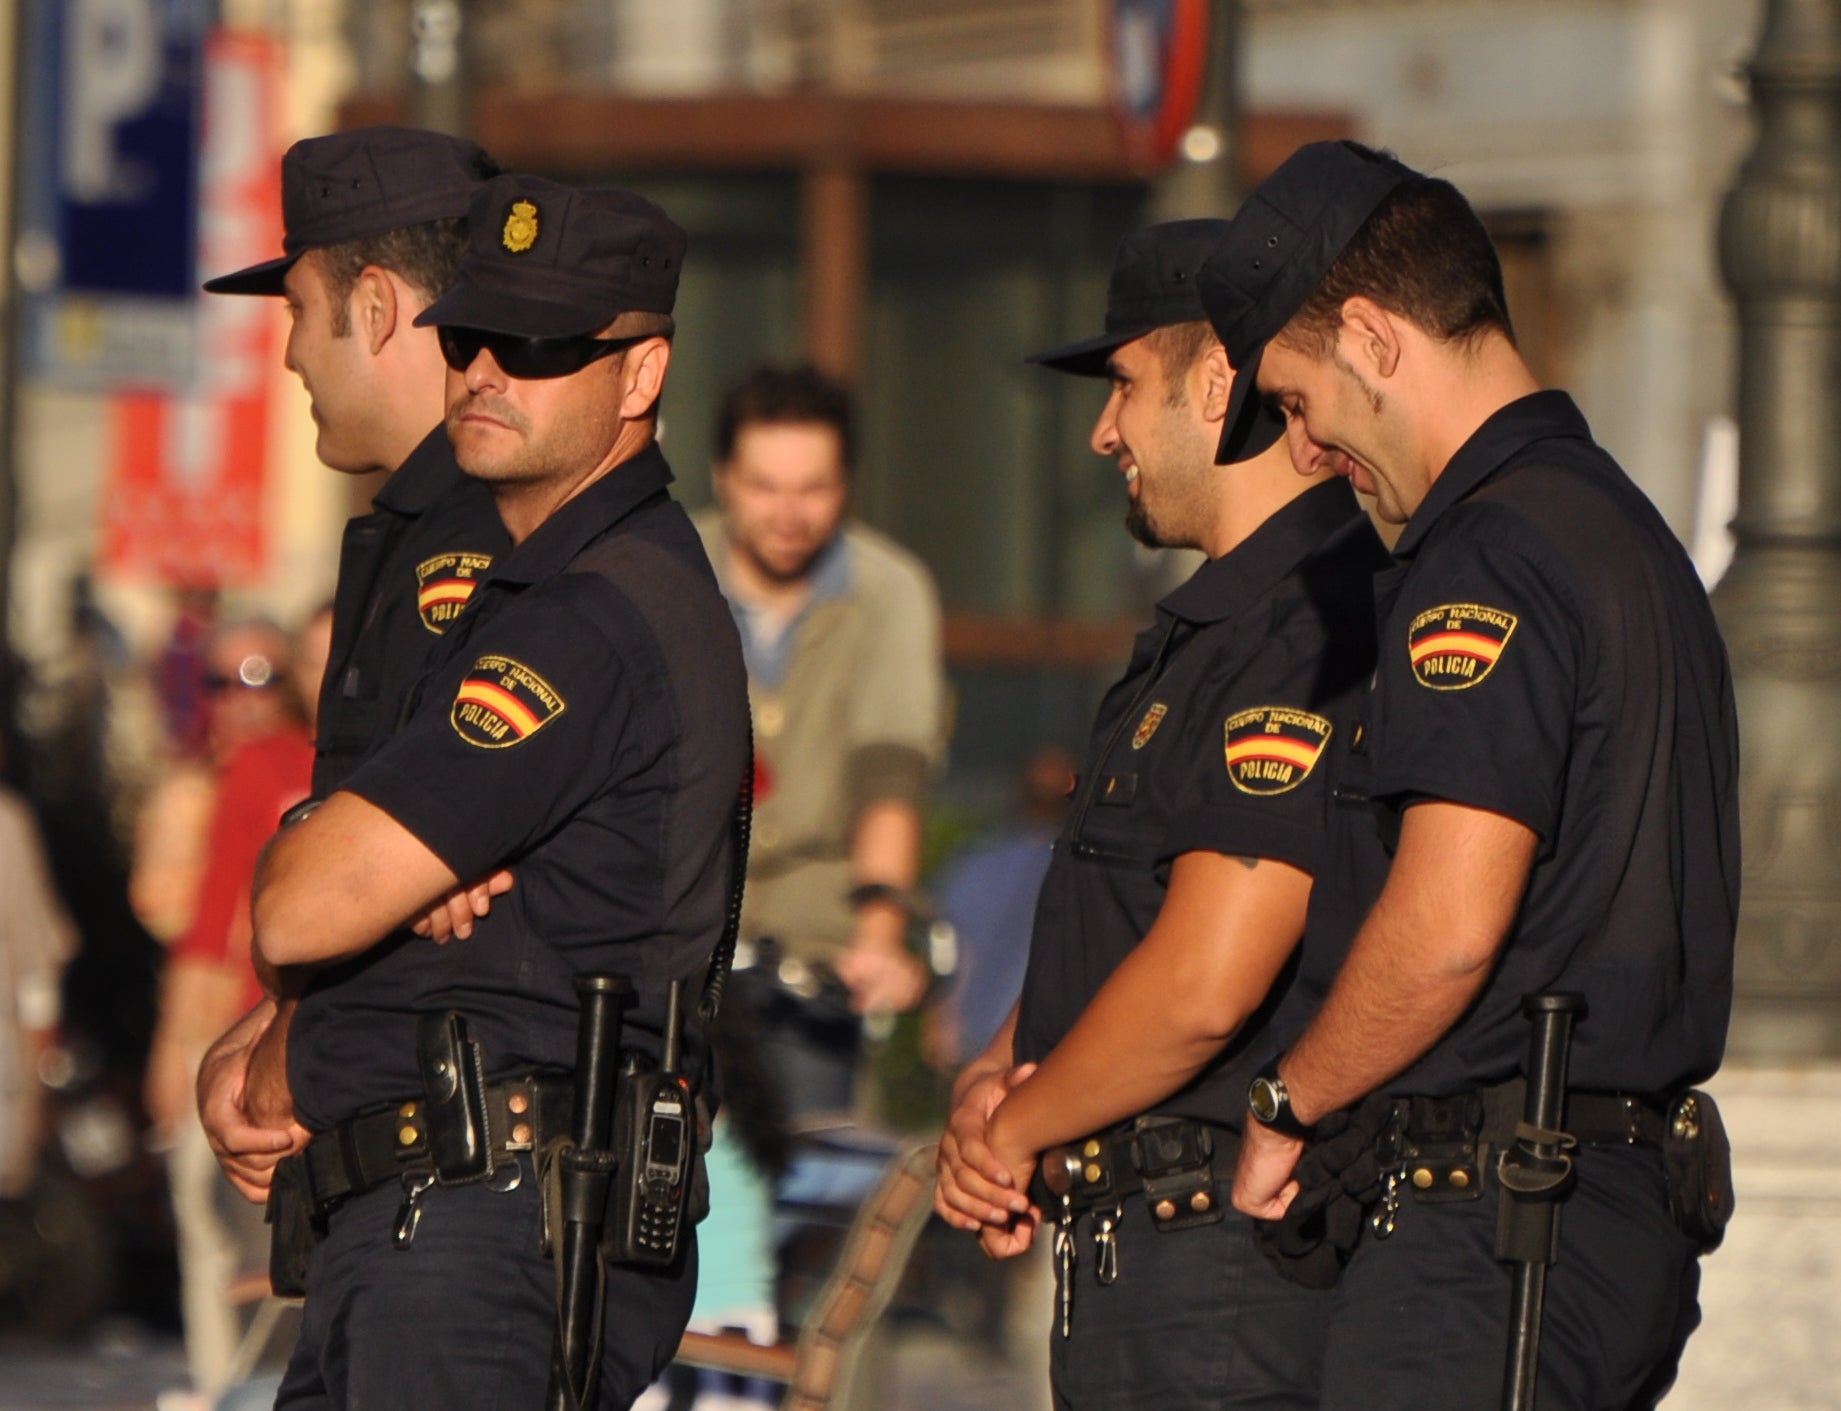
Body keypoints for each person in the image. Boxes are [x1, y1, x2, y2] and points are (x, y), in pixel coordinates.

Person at [1199, 140, 1738, 1408]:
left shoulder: (1483, 556)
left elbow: (1445, 926)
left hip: (1491, 1228)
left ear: (1372, 340)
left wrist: (1286, 1100)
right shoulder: (1615, 531)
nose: (1307, 449)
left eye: (1295, 402)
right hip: (1593, 1215)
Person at [237, 173, 748, 1410]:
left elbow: (298, 906)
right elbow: (327, 886)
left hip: (484, 1229)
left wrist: (339, 853)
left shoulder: (590, 617)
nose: (483, 372)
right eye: (468, 336)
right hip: (428, 1224)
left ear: (641, 374)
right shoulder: (531, 587)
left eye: (539, 347)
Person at [932, 218, 1390, 1410]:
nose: (1102, 431)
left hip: (1225, 1265)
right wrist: (997, 1070)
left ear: (1216, 384)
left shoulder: (1311, 623)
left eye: (1124, 385)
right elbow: (1122, 920)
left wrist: (1010, 1129)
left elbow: (1202, 982)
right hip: (1140, 1257)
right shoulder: (1208, 634)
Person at [193, 125, 511, 1207]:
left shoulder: (488, 534)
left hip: (459, 1177)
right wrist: (267, 1028)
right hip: (399, 1158)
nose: (288, 354)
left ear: (373, 306)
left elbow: (389, 873)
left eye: (296, 307)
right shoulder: (414, 526)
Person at [695, 364, 946, 1118]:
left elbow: (890, 769)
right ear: (722, 478)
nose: (788, 514)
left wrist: (879, 931)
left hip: (819, 950)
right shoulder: (670, 568)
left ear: (847, 486)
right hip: (682, 931)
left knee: (816, 1160)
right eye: (764, 487)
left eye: (813, 489)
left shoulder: (890, 589)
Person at [144, 608, 329, 1405]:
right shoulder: (255, 766)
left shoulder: (379, 758)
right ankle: (228, 1385)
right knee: (230, 1232)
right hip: (247, 1033)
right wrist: (173, 1043)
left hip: (312, 1039)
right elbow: (209, 916)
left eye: (261, 675)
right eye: (223, 681)